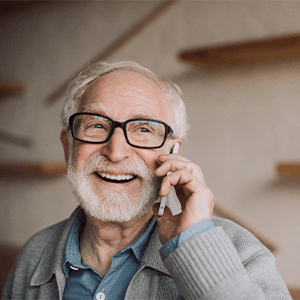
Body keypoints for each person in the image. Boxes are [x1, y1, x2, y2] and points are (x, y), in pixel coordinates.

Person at [3, 61, 291, 300]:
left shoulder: (240, 250)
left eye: (143, 129)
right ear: (69, 148)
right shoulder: (34, 255)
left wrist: (196, 247)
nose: (115, 152)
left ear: (173, 152)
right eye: (96, 125)